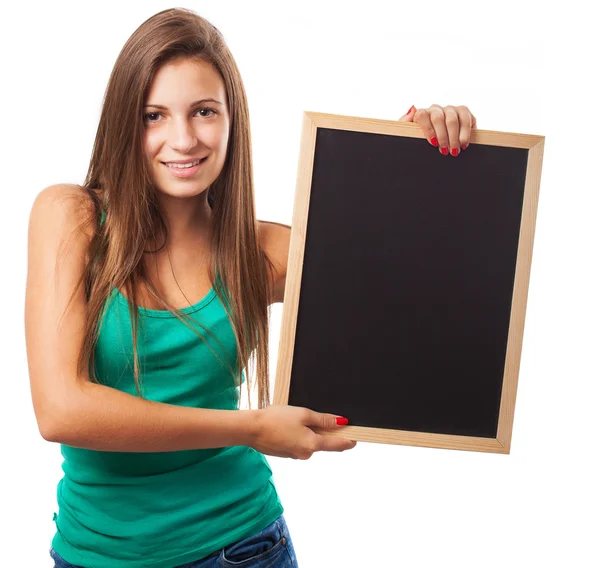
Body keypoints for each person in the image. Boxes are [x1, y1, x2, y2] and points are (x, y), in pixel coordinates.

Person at [25, 7, 477, 568]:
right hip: (94, 553)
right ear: (125, 123)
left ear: (232, 120)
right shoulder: (71, 218)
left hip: (246, 546)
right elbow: (61, 411)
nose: (183, 139)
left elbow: (416, 274)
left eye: (204, 112)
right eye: (153, 116)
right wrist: (252, 427)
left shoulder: (264, 252)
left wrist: (416, 150)